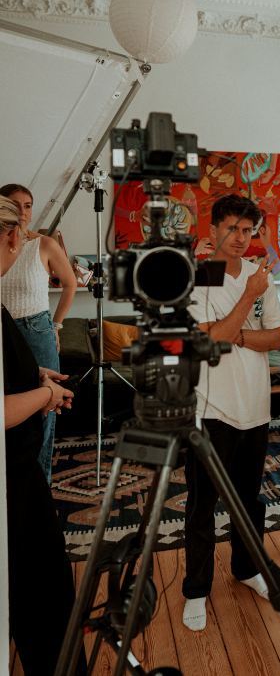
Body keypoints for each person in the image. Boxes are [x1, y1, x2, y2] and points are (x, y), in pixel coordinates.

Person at [182, 193, 280, 631]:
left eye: (248, 230)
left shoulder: (261, 277)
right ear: (213, 230)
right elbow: (210, 340)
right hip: (212, 409)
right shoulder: (198, 279)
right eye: (232, 229)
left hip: (256, 407)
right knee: (202, 506)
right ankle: (196, 590)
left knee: (249, 501)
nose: (241, 238)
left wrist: (239, 334)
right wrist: (247, 302)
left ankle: (246, 568)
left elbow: (277, 337)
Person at [0, 195, 87, 675]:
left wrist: (35, 374)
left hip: (20, 472)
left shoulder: (42, 247)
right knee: (43, 591)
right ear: (12, 236)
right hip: (10, 476)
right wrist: (46, 395)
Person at [0, 182, 77, 483]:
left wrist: (56, 325)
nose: (23, 211)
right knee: (11, 408)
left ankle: (40, 486)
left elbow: (70, 283)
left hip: (37, 331)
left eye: (28, 205)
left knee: (45, 411)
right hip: (4, 333)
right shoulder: (3, 244)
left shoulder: (44, 244)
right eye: (15, 204)